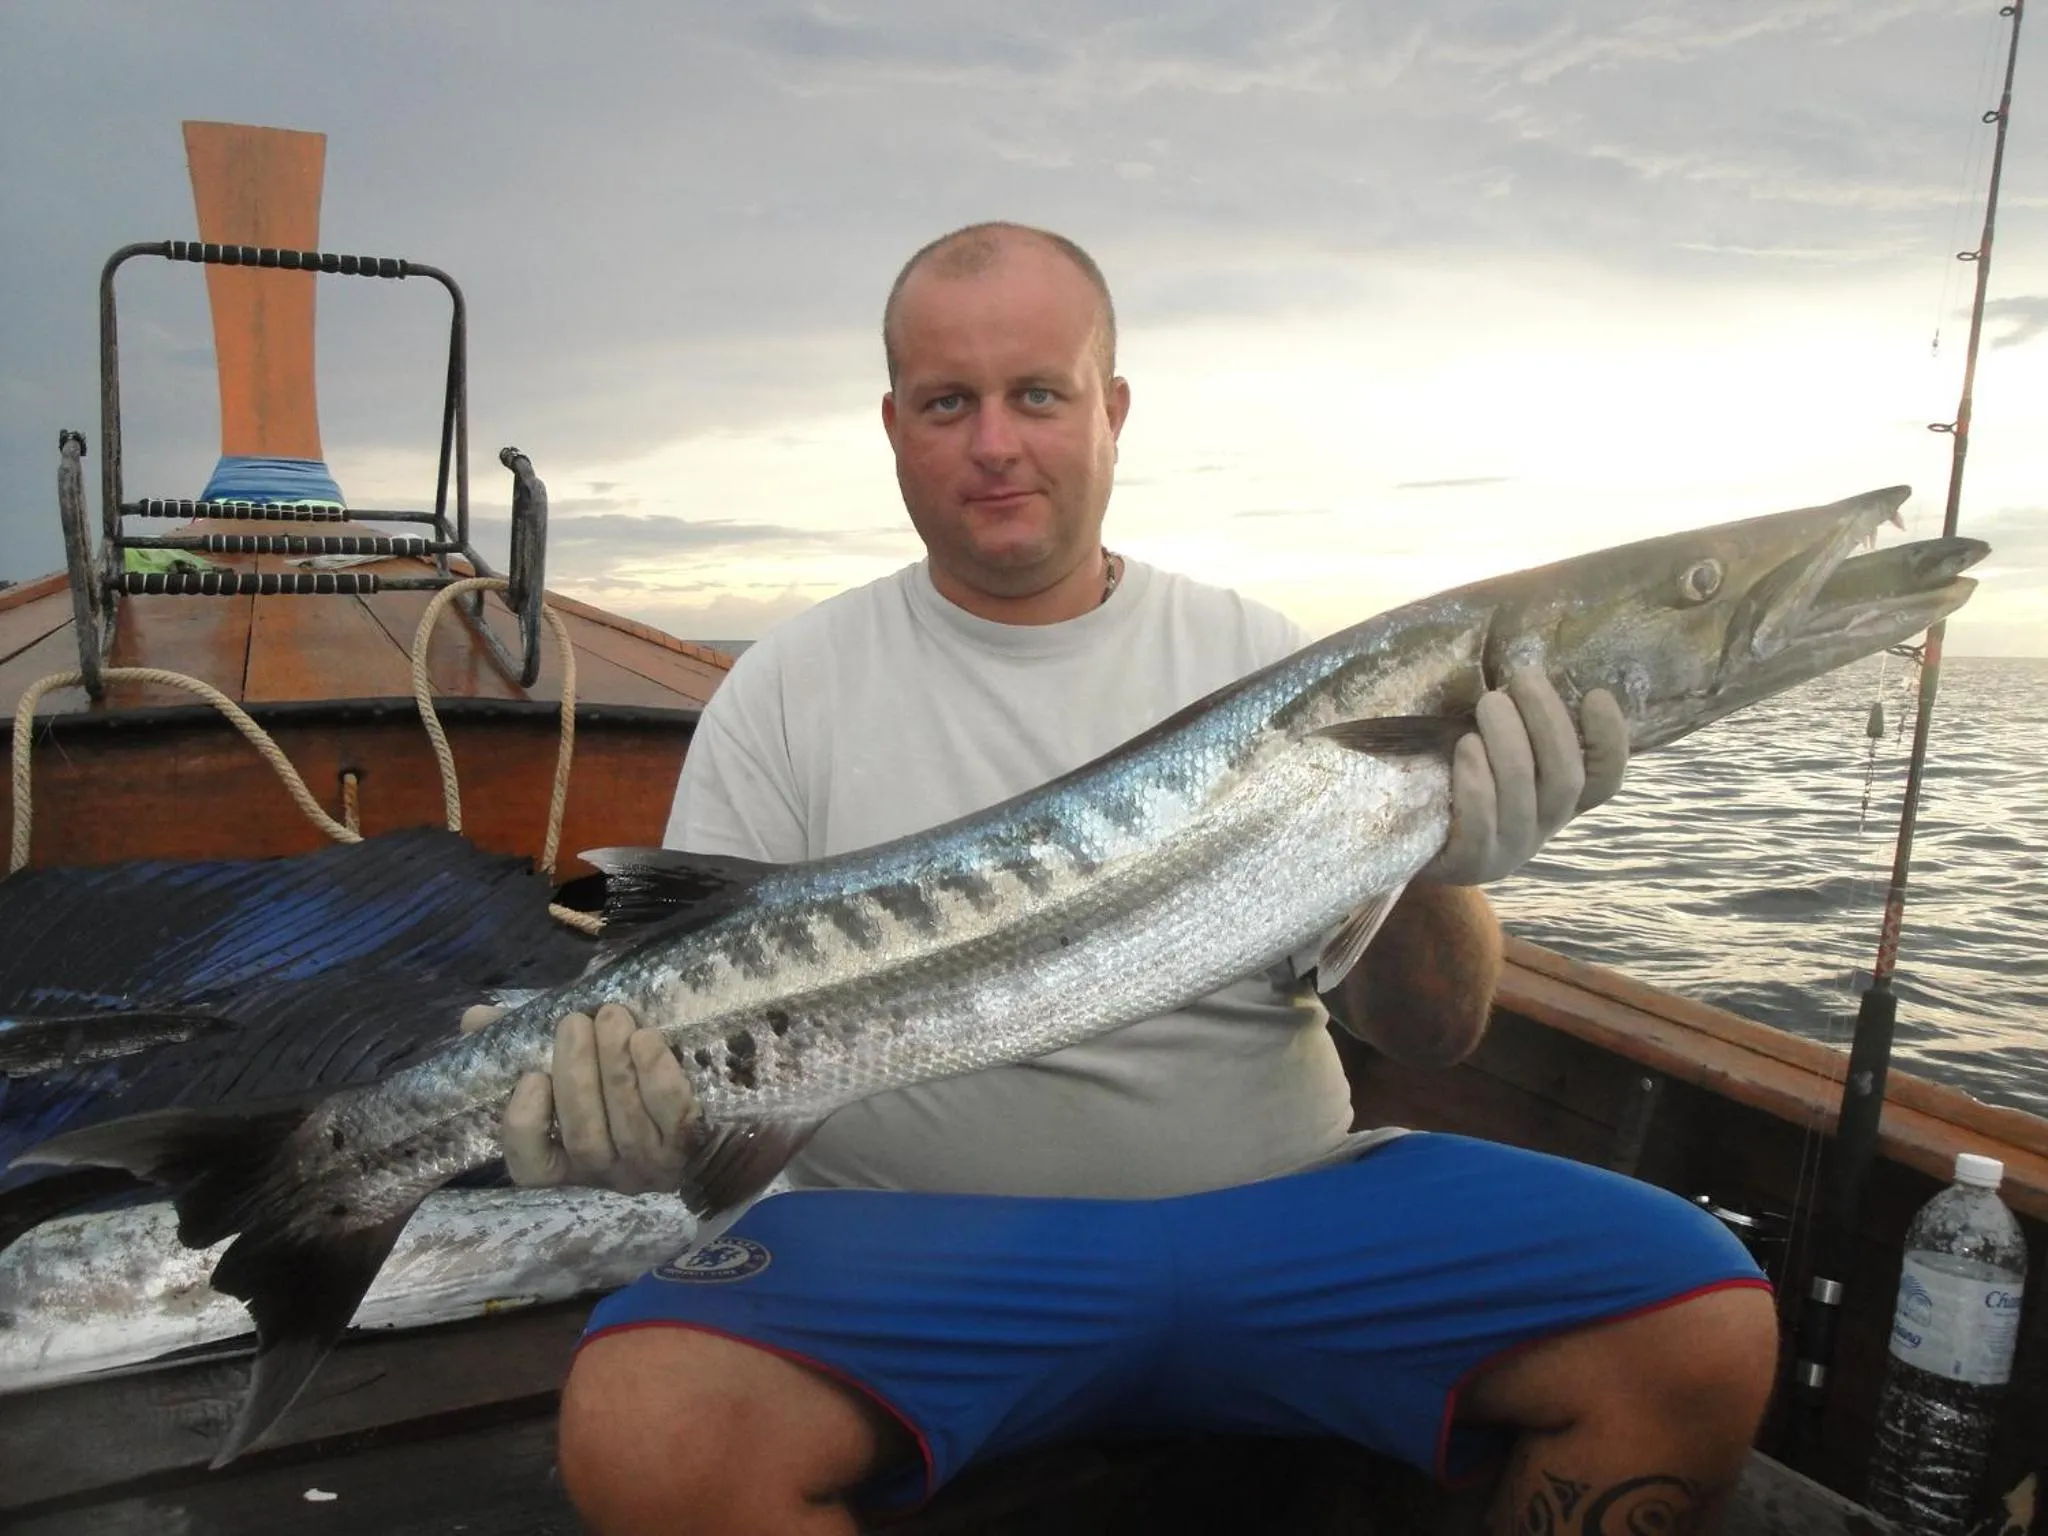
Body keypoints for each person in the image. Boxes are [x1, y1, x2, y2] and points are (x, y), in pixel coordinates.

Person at [474, 223, 1779, 1535]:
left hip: (1290, 1222)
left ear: (1113, 410)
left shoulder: (1258, 656)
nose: (996, 441)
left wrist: (1437, 857)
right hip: (916, 1252)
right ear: (891, 425)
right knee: (645, 1429)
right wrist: (631, 1119)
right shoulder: (786, 694)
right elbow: (682, 1078)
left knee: (1703, 1325)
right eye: (949, 402)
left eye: (1037, 393)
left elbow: (1437, 1031)